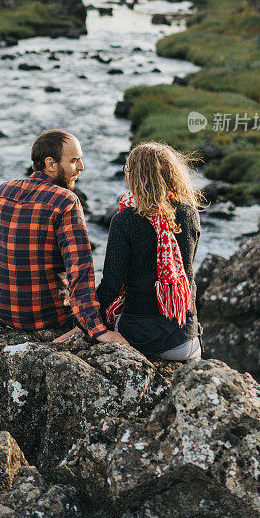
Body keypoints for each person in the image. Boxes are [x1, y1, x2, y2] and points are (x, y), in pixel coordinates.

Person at [0, 129, 127, 345]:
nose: (81, 167)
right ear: (50, 164)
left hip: (2, 309)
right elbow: (80, 268)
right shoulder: (66, 201)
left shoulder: (5, 191)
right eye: (74, 161)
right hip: (47, 318)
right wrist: (96, 329)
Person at [96, 141, 204, 360]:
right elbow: (187, 270)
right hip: (185, 341)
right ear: (173, 174)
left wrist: (84, 321)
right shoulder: (190, 214)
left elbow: (111, 285)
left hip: (138, 339)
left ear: (134, 176)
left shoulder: (124, 220)